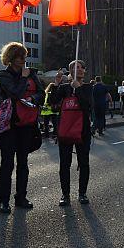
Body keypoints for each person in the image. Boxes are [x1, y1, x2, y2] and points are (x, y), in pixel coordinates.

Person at [0, 42, 44, 212]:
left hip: (27, 125)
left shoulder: (32, 74)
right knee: (7, 163)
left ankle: (21, 197)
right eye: (19, 56)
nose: (23, 60)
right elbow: (14, 93)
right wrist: (23, 78)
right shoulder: (4, 76)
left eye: (24, 56)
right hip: (10, 125)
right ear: (11, 58)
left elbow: (41, 93)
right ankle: (3, 200)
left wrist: (34, 99)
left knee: (23, 162)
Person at [54, 60, 93, 205]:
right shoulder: (64, 88)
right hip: (65, 130)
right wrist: (56, 84)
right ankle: (65, 194)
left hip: (82, 131)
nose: (80, 70)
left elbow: (88, 106)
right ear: (70, 72)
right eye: (76, 68)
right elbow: (52, 102)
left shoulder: (89, 87)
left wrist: (79, 89)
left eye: (82, 67)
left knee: (84, 163)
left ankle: (82, 193)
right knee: (65, 164)